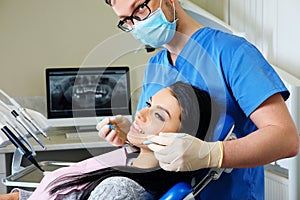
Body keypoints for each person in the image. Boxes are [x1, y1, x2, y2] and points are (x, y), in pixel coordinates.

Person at [99, 0, 300, 199]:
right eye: (127, 20)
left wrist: (212, 153)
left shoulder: (232, 53)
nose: (137, 24)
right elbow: (158, 144)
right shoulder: (155, 65)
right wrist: (130, 137)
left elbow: (286, 139)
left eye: (140, 9)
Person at [0, 81, 213, 200]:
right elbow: (69, 193)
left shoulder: (120, 190)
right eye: (148, 103)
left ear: (182, 141)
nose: (140, 114)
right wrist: (18, 197)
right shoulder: (127, 158)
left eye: (159, 115)